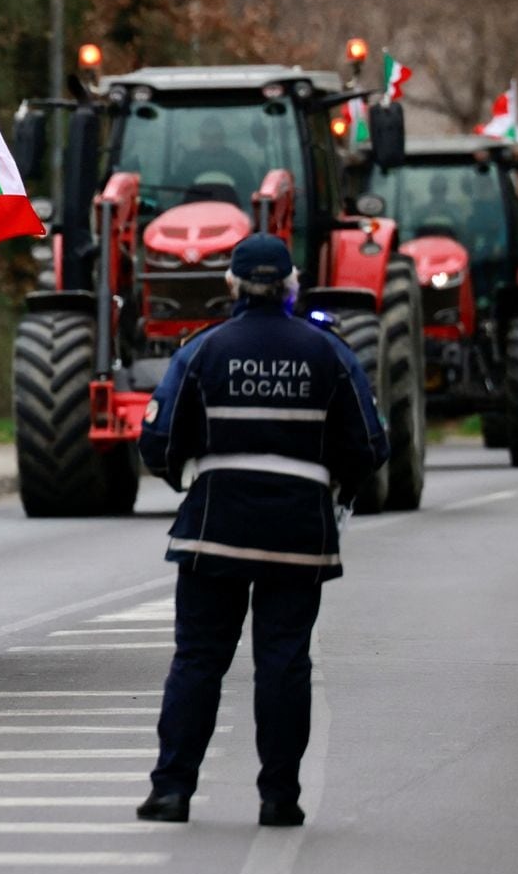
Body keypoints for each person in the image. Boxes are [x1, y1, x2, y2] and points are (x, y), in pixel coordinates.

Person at [135, 233, 388, 828]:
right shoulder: (329, 352)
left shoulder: (203, 350)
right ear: (291, 283)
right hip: (300, 532)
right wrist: (333, 488)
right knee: (284, 661)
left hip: (214, 525)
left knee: (198, 660)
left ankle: (172, 792)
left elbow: (159, 440)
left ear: (232, 283)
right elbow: (370, 445)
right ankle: (280, 798)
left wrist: (187, 479)